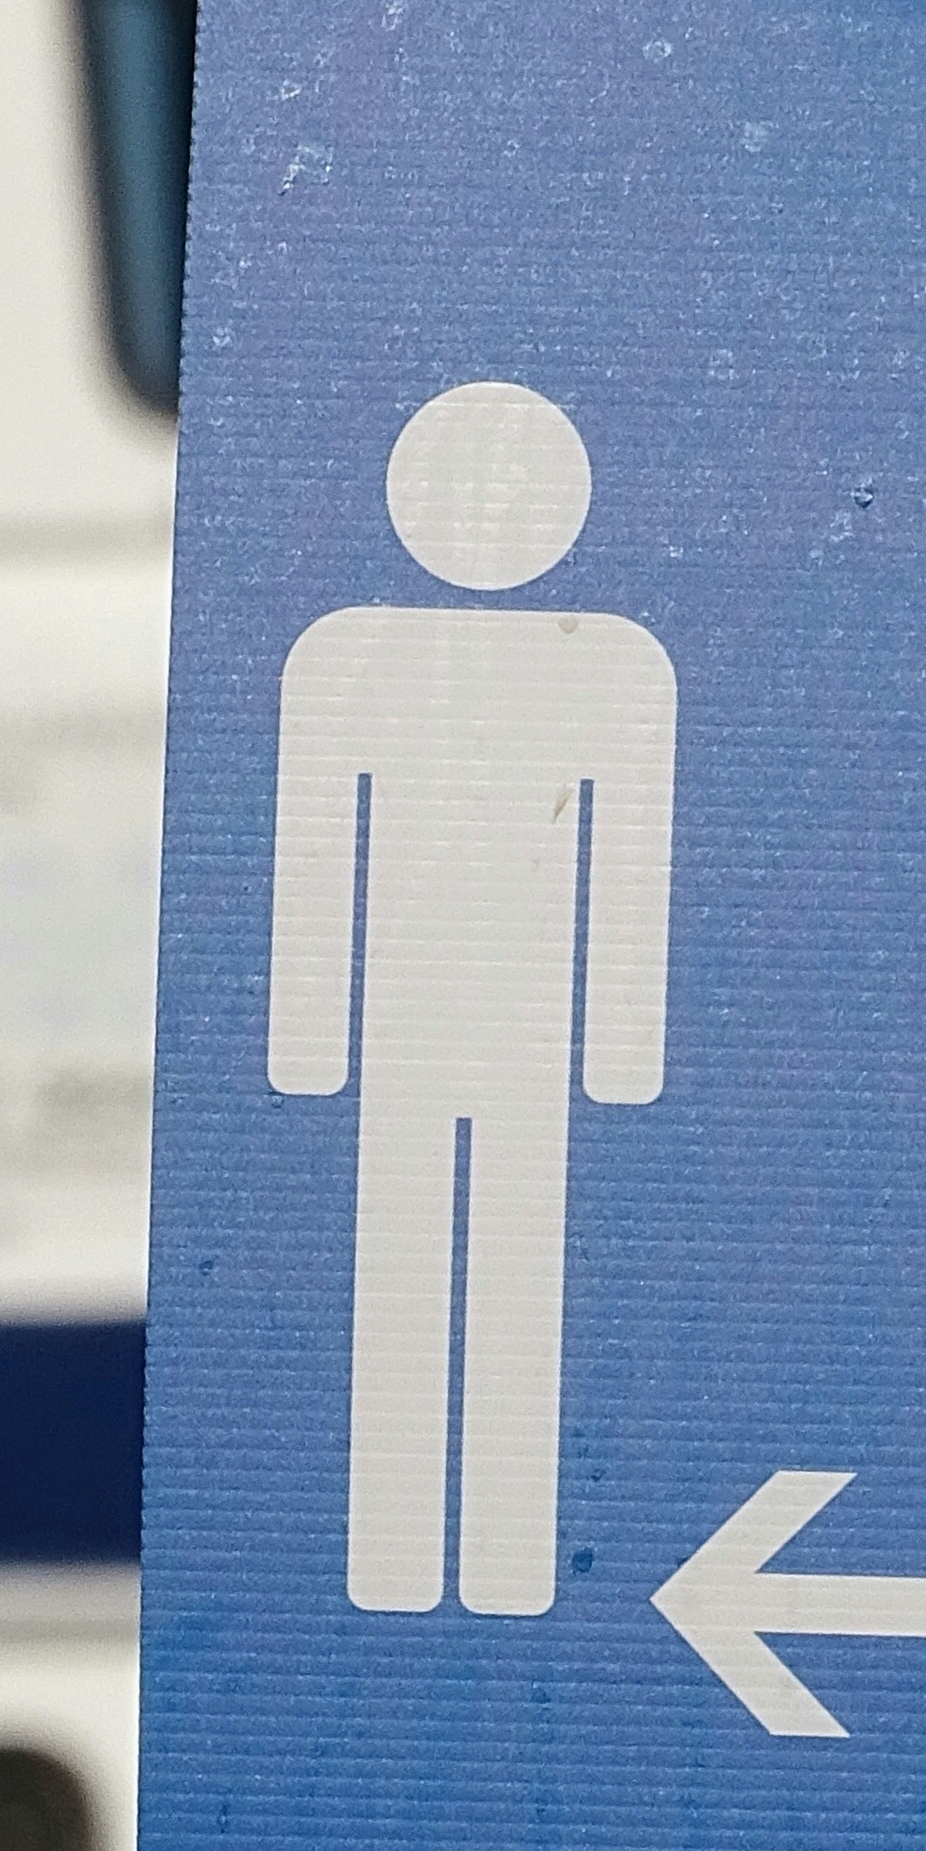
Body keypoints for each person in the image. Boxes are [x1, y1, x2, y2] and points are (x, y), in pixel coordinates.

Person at [270, 381, 675, 1617]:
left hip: (509, 1032)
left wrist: (621, 1050)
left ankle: (498, 1558)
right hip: (431, 1029)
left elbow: (629, 865)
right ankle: (408, 1558)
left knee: (507, 1274)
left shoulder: (612, 664)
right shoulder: (348, 654)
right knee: (417, 1272)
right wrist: (305, 1043)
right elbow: (318, 855)